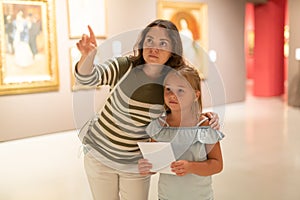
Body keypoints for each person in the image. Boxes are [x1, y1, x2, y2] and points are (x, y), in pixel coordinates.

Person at [75, 19, 220, 200]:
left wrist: (207, 117)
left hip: (137, 162)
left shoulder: (171, 81)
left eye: (163, 43)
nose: (154, 48)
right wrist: (87, 58)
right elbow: (87, 79)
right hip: (100, 155)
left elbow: (186, 103)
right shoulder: (125, 66)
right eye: (149, 40)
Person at [138, 65, 224, 200]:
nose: (172, 95)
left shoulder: (205, 126)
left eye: (180, 91)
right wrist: (148, 167)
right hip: (166, 196)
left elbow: (217, 165)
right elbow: (156, 165)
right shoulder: (159, 128)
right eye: (168, 89)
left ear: (196, 95)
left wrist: (191, 167)